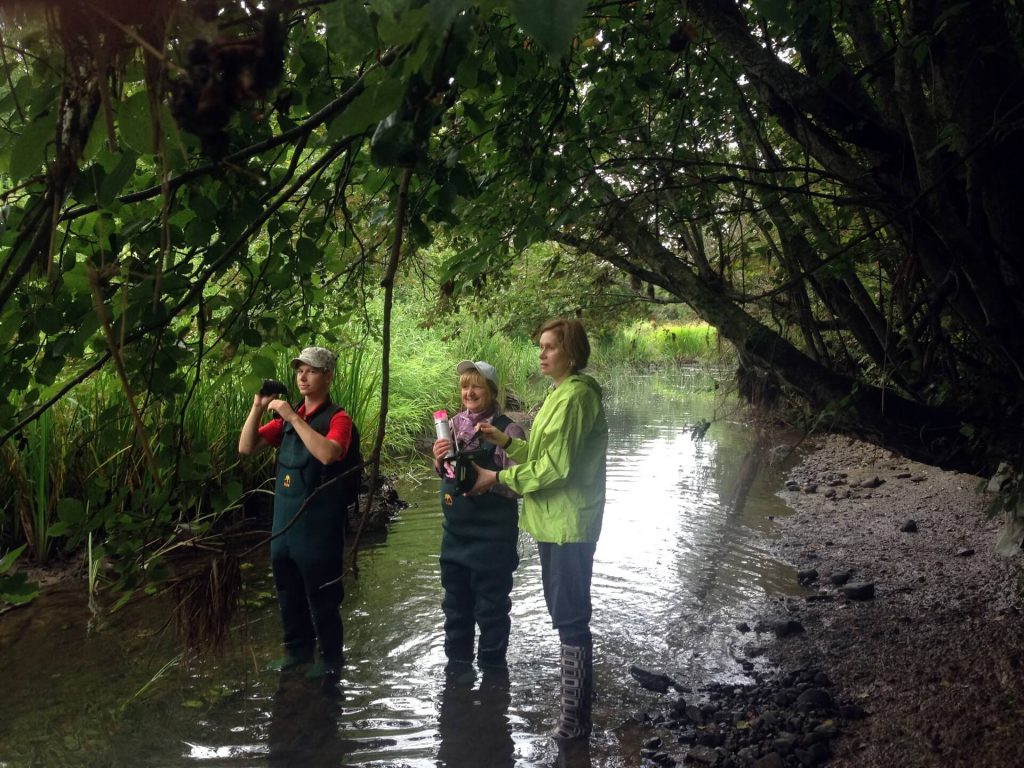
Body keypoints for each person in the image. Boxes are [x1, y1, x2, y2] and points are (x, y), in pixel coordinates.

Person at [469, 319, 608, 740]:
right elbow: (544, 453)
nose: (542, 353)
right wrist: (506, 442)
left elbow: (557, 469)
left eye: (550, 347)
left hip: (569, 522)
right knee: (565, 613)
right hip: (554, 521)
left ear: (572, 353)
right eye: (541, 346)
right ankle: (573, 715)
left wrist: (497, 478)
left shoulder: (576, 398)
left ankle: (575, 723)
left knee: (570, 616)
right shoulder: (559, 394)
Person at [238, 346, 357, 680]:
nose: (303, 376)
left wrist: (291, 417)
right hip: (285, 527)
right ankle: (296, 651)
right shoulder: (288, 420)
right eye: (299, 370)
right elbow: (246, 447)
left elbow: (328, 454)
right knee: (287, 591)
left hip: (320, 528)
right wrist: (258, 407)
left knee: (322, 595)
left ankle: (331, 658)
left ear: (328, 376)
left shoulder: (338, 418)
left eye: (312, 370)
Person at [431, 360, 526, 672]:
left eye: (477, 386)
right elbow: (448, 475)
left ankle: (493, 677)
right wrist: (439, 460)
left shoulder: (508, 429)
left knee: (491, 612)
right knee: (455, 611)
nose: (469, 392)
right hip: (455, 539)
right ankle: (457, 673)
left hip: (492, 542)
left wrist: (488, 481)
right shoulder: (453, 425)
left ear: (492, 390)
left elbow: (518, 485)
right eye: (464, 386)